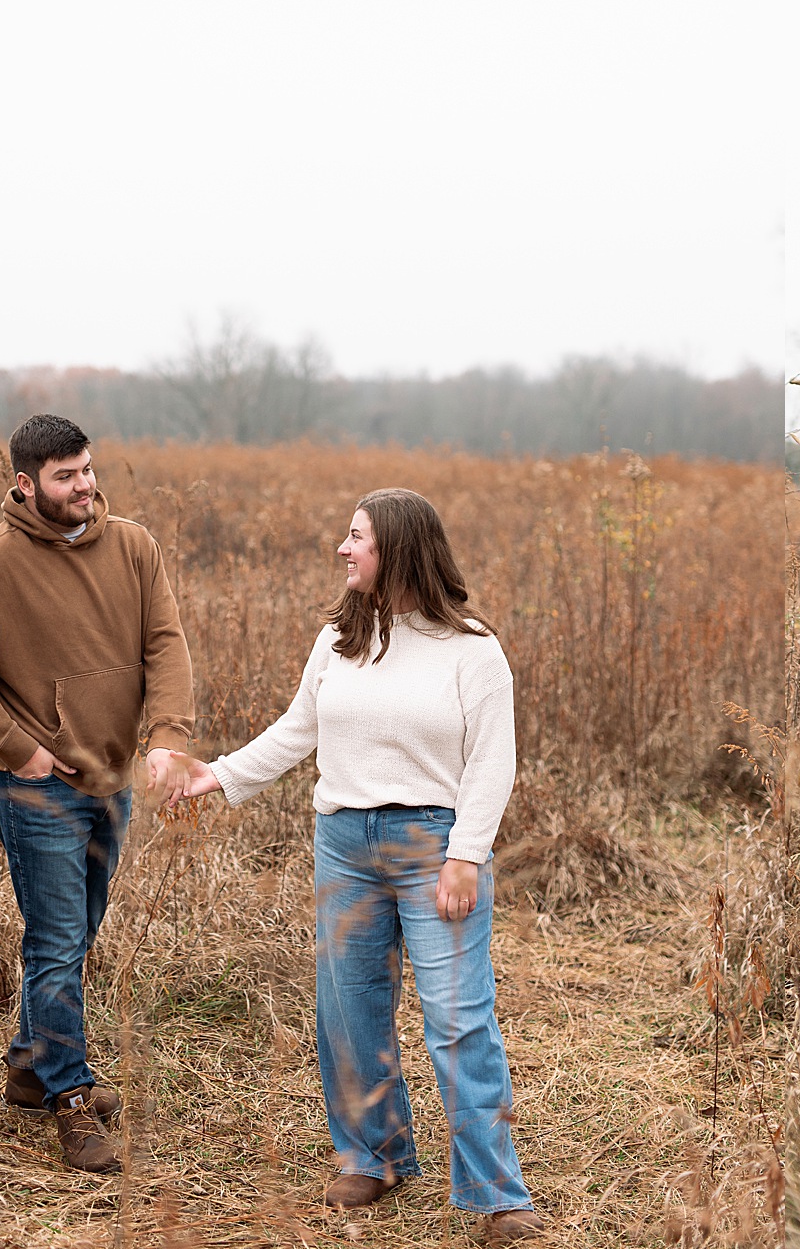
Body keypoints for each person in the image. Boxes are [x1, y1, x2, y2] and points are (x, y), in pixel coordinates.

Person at [149, 487, 541, 1240]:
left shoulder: (473, 650)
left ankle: (495, 1193)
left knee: (458, 1019)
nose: (342, 548)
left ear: (399, 549)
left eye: (357, 537)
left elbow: (493, 762)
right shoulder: (339, 639)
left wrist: (466, 854)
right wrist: (215, 775)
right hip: (344, 844)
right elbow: (299, 729)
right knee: (348, 1009)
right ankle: (374, 1155)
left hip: (433, 844)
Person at [0, 413, 195, 1173]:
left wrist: (166, 733)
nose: (84, 486)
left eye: (88, 469)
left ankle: (28, 1067)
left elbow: (164, 642)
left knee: (73, 938)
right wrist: (21, 750)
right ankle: (69, 1096)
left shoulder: (134, 546)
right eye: (65, 476)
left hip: (112, 778)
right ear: (25, 482)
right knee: (57, 943)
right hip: (36, 792)